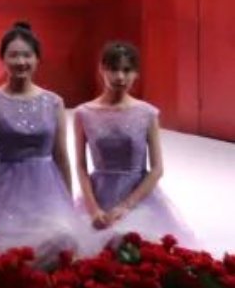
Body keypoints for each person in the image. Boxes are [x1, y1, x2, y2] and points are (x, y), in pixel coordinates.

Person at [0, 23, 90, 266]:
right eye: (13, 55)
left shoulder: (53, 102)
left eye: (27, 55)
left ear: (37, 59)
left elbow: (61, 157)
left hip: (47, 189)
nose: (20, 61)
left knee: (61, 240)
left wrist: (68, 203)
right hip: (4, 190)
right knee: (5, 251)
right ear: (3, 59)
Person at [74, 40, 193, 251]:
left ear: (136, 73)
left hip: (138, 198)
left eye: (127, 70)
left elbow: (157, 169)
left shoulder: (147, 113)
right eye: (113, 69)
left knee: (133, 244)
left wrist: (126, 206)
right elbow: (81, 167)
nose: (120, 77)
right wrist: (93, 209)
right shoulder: (84, 113)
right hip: (98, 195)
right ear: (102, 69)